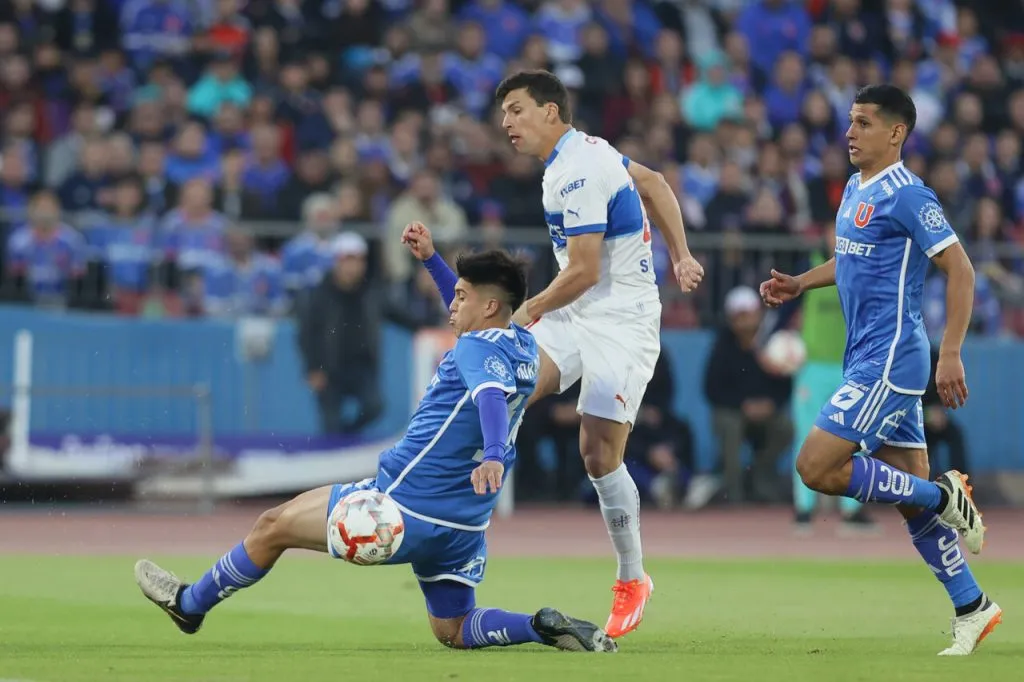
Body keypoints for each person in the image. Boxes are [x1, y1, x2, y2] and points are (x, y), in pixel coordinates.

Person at [134, 237, 617, 654]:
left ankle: (189, 605)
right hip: (464, 523)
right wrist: (432, 260)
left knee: (271, 526)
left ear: (488, 306)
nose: (452, 303)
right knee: (452, 629)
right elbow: (481, 323)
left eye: (462, 296)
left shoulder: (474, 348)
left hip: (402, 508)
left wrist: (493, 452)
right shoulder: (522, 346)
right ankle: (536, 626)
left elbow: (489, 397)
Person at [760, 85, 1000, 656]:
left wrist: (951, 351)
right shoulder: (854, 187)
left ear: (896, 133)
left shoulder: (910, 195)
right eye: (849, 121)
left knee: (815, 467)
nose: (850, 132)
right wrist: (800, 283)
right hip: (867, 355)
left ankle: (946, 496)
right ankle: (973, 606)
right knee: (911, 503)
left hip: (892, 356)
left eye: (864, 123)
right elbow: (850, 257)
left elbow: (960, 270)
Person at [495, 68, 704, 638]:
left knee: (597, 453)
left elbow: (585, 271)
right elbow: (656, 182)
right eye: (504, 113)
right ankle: (472, 496)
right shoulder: (583, 153)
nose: (506, 123)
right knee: (508, 379)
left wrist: (526, 310)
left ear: (550, 112)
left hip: (620, 319)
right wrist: (680, 254)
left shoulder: (579, 169)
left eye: (516, 110)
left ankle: (633, 576)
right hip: (575, 309)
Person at [791, 224, 875, 533]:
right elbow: (786, 312)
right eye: (832, 232)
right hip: (812, 368)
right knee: (805, 438)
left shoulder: (861, 268)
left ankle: (852, 513)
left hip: (850, 368)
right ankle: (803, 510)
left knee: (854, 441)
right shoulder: (807, 267)